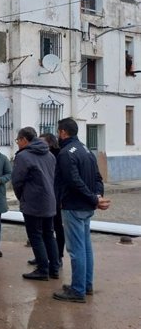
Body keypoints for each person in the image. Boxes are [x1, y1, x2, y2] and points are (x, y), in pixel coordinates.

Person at [53, 117, 110, 303]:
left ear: (63, 132)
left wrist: (94, 198)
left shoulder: (65, 153)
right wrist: (97, 196)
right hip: (85, 206)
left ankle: (77, 290)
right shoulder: (86, 150)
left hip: (73, 206)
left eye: (58, 131)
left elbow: (74, 181)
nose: (57, 135)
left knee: (76, 249)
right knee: (85, 247)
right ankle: (86, 285)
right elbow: (97, 178)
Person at [11, 126, 60, 281]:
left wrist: (22, 197)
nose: (17, 143)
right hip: (49, 200)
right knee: (49, 235)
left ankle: (42, 269)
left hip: (33, 201)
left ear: (24, 140)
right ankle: (54, 268)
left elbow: (17, 181)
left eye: (18, 140)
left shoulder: (23, 156)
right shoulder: (50, 155)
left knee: (35, 236)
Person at [37, 132, 65, 264]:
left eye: (42, 141)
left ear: (50, 142)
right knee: (42, 228)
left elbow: (61, 179)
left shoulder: (58, 155)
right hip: (44, 196)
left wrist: (60, 197)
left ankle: (58, 256)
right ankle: (43, 256)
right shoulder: (40, 154)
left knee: (57, 227)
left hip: (56, 196)